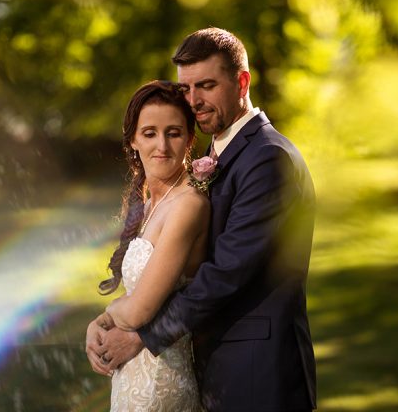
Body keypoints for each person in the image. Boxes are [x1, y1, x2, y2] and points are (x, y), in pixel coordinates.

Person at [88, 27, 317, 411]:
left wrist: (142, 335)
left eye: (207, 86)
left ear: (242, 81)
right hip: (213, 366)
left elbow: (226, 271)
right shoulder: (219, 154)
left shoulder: (267, 157)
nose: (194, 100)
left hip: (257, 369)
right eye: (187, 89)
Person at [86, 80, 209, 411]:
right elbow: (142, 291)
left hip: (160, 381)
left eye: (174, 132)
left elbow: (141, 309)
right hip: (131, 374)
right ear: (133, 141)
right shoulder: (150, 202)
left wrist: (107, 315)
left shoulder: (188, 205)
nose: (162, 146)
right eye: (150, 133)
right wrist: (97, 325)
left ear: (190, 140)